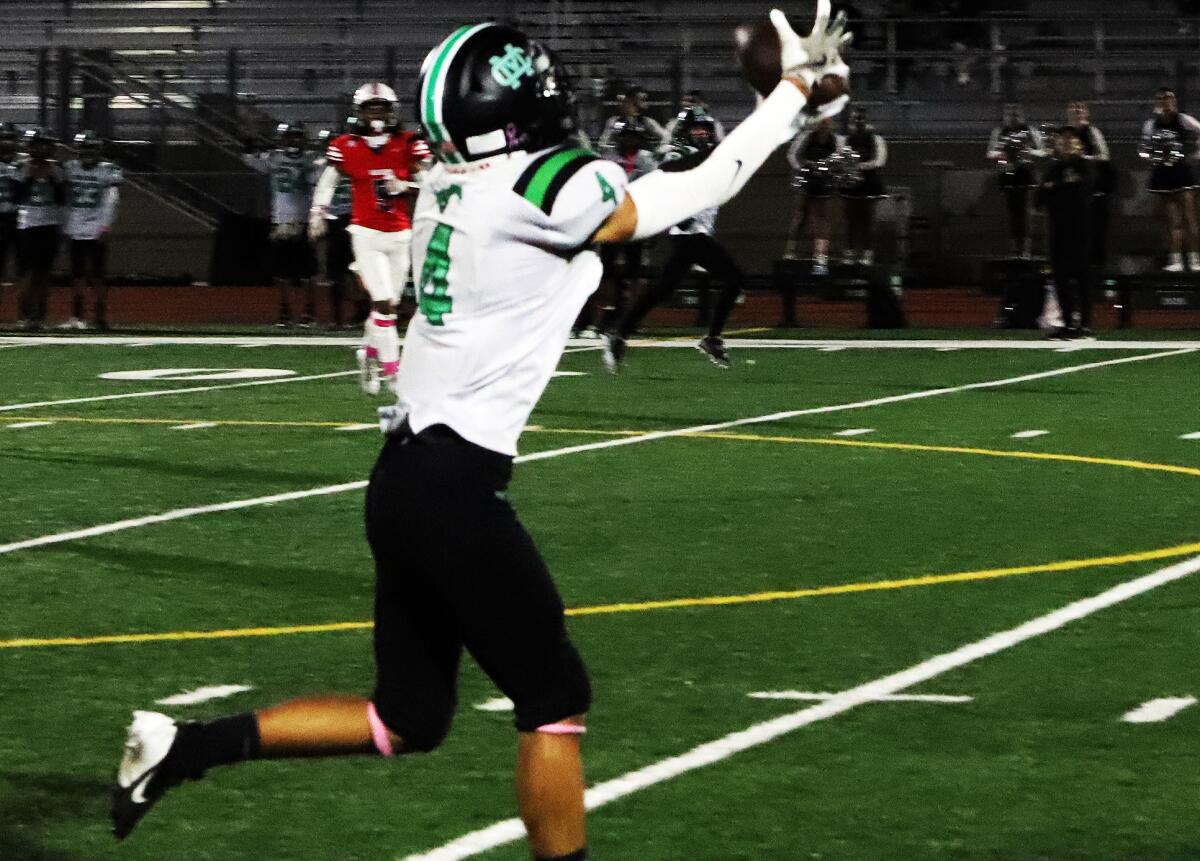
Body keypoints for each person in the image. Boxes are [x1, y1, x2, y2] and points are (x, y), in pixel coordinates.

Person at [109, 7, 852, 860]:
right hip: (451, 488)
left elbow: (654, 185)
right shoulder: (548, 186)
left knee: (407, 719)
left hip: (401, 480)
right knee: (555, 699)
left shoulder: (452, 183)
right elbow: (705, 183)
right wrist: (791, 94)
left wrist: (798, 109)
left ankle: (180, 749)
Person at [603, 110, 745, 370]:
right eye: (696, 128)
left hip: (695, 231)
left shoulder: (711, 155)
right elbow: (671, 177)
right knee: (733, 278)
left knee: (660, 290)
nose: (701, 132)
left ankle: (619, 334)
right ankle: (712, 338)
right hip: (689, 232)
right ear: (684, 131)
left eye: (704, 128)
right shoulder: (679, 153)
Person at [310, 82, 426, 394]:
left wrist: (406, 187)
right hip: (365, 233)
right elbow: (327, 182)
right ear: (360, 112)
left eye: (381, 107)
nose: (376, 113)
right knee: (384, 303)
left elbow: (433, 182)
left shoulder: (408, 142)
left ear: (391, 111)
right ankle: (394, 374)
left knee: (390, 305)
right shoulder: (346, 145)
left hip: (400, 233)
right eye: (370, 107)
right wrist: (317, 213)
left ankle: (369, 353)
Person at [245, 121, 319, 327]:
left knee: (307, 273)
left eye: (298, 136)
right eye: (291, 136)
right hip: (281, 221)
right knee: (282, 273)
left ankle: (308, 312)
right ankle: (285, 312)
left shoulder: (311, 160)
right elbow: (250, 159)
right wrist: (250, 143)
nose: (294, 140)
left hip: (304, 220)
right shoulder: (275, 158)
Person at [61, 130, 122, 330]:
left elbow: (112, 200)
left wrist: (105, 225)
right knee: (77, 273)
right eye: (84, 148)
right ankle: (77, 316)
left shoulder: (107, 169)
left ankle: (100, 316)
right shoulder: (69, 168)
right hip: (75, 226)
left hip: (96, 227)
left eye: (91, 148)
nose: (87, 152)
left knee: (97, 274)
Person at [1037, 126, 1094, 339]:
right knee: (1060, 278)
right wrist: (1062, 187)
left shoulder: (1086, 166)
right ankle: (1068, 322)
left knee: (1080, 277)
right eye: (1063, 140)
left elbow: (1081, 193)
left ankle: (1085, 323)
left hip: (1079, 230)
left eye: (1071, 140)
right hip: (1057, 230)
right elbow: (1039, 198)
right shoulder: (1053, 168)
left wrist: (1056, 188)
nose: (1067, 144)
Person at [1139, 86, 1200, 271]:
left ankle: (1195, 259)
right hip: (1162, 173)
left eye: (1169, 98)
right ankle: (1176, 260)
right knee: (1171, 220)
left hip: (1182, 171)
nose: (1165, 102)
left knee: (1189, 218)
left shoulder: (1183, 119)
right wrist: (1151, 158)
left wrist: (1197, 154)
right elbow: (1143, 147)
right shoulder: (1150, 124)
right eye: (1161, 99)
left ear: (1174, 101)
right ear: (1156, 103)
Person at [13, 128, 66, 331]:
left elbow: (61, 198)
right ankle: (25, 315)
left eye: (46, 144)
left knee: (44, 272)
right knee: (28, 272)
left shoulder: (56, 168)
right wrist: (30, 177)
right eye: (41, 144)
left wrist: (52, 178)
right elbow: (18, 196)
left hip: (49, 223)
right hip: (28, 223)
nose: (45, 148)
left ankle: (40, 316)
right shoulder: (21, 166)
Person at [312, 122, 361, 329]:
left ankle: (360, 312)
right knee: (334, 273)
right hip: (333, 219)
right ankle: (336, 316)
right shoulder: (320, 166)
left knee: (356, 271)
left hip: (353, 218)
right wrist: (317, 217)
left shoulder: (355, 160)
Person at [784, 116, 844, 274]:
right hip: (807, 179)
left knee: (823, 218)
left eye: (827, 121)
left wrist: (828, 169)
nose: (824, 124)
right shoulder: (806, 137)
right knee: (801, 215)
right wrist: (804, 167)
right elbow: (792, 155)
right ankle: (791, 251)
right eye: (822, 121)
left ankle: (820, 255)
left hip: (824, 180)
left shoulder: (836, 140)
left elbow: (840, 158)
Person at [986, 103, 1045, 259]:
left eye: (1016, 114)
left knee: (1026, 214)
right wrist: (1002, 152)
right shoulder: (999, 131)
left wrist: (1029, 152)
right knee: (1011, 214)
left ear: (1022, 115)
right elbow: (990, 152)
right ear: (1005, 116)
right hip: (1007, 174)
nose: (1013, 117)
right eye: (1009, 114)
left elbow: (1043, 151)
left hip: (1026, 175)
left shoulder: (1030, 130)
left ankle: (1026, 250)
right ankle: (1013, 250)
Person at [1066, 100, 1113, 274]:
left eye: (1081, 108)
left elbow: (1104, 156)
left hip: (1092, 190)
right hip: (1071, 191)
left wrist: (1083, 157)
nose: (1077, 110)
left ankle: (1096, 271)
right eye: (1073, 107)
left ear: (1087, 112)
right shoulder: (1065, 133)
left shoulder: (1093, 132)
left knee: (1094, 233)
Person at [840, 107, 888, 266]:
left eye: (861, 119)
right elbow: (841, 159)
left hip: (869, 183)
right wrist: (853, 169)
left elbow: (879, 161)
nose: (858, 122)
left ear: (866, 121)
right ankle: (850, 252)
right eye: (856, 119)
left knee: (868, 220)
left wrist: (860, 167)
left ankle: (867, 253)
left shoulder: (876, 139)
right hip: (851, 182)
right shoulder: (846, 140)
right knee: (851, 220)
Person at [596, 86, 668, 152]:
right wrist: (614, 150)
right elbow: (603, 143)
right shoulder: (615, 122)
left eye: (644, 100)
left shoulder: (647, 122)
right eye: (641, 100)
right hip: (622, 158)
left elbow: (666, 137)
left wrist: (658, 150)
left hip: (643, 160)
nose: (644, 104)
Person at [0, 122, 20, 308]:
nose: (6, 143)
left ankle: (26, 313)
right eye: (3, 138)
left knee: (23, 265)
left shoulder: (23, 163)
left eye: (9, 138)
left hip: (18, 217)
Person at [662, 90, 726, 144]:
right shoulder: (674, 123)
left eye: (691, 102)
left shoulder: (713, 123)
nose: (687, 105)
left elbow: (720, 142)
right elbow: (667, 142)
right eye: (685, 102)